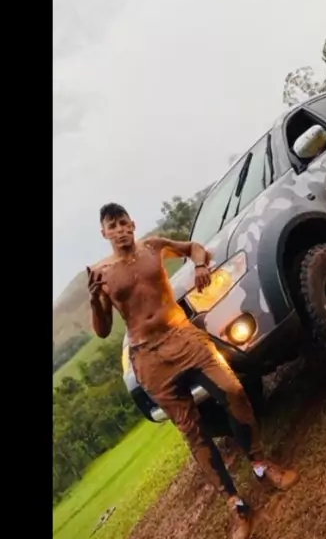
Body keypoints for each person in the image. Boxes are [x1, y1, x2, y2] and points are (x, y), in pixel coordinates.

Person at [87, 202, 299, 539]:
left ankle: (261, 465)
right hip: (149, 358)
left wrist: (200, 265)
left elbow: (195, 248)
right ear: (104, 233)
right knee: (193, 431)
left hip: (183, 337)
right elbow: (102, 329)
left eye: (123, 222)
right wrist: (95, 301)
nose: (120, 230)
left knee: (233, 391)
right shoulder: (101, 275)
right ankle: (235, 505)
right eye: (112, 226)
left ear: (133, 224)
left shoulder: (154, 247)